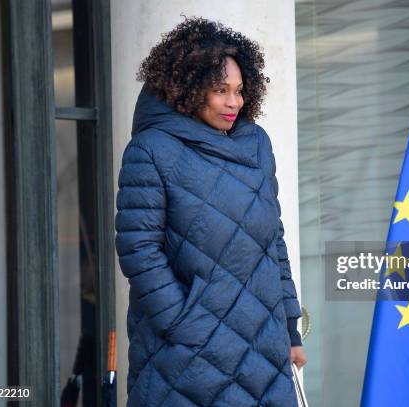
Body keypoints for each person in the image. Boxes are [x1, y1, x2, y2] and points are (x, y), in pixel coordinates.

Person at [115, 16, 307, 407]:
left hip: (263, 350)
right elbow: (139, 250)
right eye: (221, 91)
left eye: (238, 90)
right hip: (186, 360)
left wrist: (290, 328)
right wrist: (183, 323)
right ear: (187, 88)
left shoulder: (256, 144)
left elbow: (274, 241)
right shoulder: (151, 150)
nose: (234, 102)